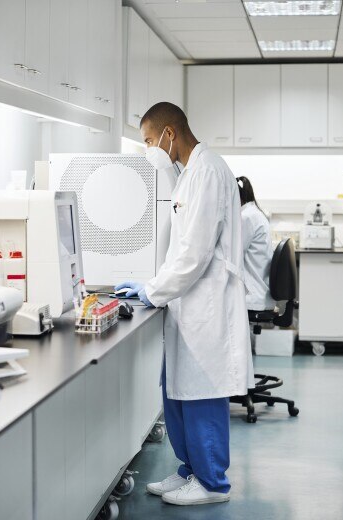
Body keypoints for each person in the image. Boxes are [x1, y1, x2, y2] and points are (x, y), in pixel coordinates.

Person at [115, 102, 251, 507]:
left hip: (207, 306)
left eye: (148, 140)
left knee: (202, 393)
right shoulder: (190, 174)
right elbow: (183, 248)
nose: (148, 149)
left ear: (169, 134)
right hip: (188, 304)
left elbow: (194, 254)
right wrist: (152, 283)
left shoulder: (207, 172)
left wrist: (154, 291)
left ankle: (213, 484)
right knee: (176, 391)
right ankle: (190, 470)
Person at [238, 176, 274, 313]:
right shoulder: (255, 213)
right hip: (260, 292)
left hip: (253, 296)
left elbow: (234, 253)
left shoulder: (246, 217)